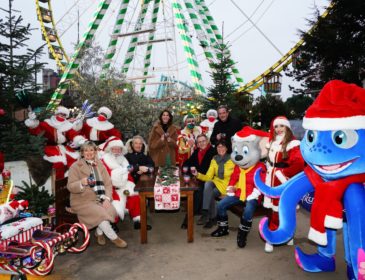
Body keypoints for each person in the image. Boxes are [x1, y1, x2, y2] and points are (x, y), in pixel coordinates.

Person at [210, 126, 269, 249]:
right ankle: (223, 228)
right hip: (239, 193)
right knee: (221, 205)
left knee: (248, 209)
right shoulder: (238, 167)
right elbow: (233, 178)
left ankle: (242, 234)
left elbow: (261, 184)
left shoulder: (260, 167)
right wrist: (231, 187)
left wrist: (255, 193)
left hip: (253, 195)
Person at [67, 141, 127, 248]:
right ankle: (114, 238)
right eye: (86, 150)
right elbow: (70, 186)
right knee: (101, 214)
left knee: (111, 210)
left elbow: (108, 183)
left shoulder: (99, 164)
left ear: (95, 152)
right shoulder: (75, 166)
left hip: (99, 198)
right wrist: (81, 182)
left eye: (91, 150)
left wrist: (107, 198)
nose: (89, 153)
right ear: (82, 153)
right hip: (82, 201)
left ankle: (99, 233)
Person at [263, 116, 305, 253]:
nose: (279, 129)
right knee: (273, 210)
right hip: (271, 179)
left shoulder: (293, 144)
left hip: (283, 181)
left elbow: (298, 164)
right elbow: (269, 161)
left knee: (281, 210)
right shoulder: (272, 142)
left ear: (287, 127)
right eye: (276, 126)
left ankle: (275, 237)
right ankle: (283, 235)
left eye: (282, 126)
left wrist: (282, 174)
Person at [100, 137, 151, 231]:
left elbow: (129, 175)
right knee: (116, 203)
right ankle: (112, 223)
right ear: (110, 149)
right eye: (114, 148)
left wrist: (131, 185)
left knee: (135, 197)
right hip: (111, 188)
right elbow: (106, 177)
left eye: (119, 148)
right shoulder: (105, 160)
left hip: (124, 185)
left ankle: (138, 221)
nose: (116, 150)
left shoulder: (123, 159)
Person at [24, 106, 86, 179]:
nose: (61, 116)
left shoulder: (68, 126)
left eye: (64, 115)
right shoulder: (48, 123)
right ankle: (58, 181)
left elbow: (73, 134)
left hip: (64, 148)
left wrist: (78, 140)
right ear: (56, 114)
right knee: (58, 163)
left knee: (74, 160)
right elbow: (36, 130)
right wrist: (33, 122)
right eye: (60, 114)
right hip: (50, 148)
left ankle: (71, 179)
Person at [191, 140, 235, 228]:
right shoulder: (214, 159)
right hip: (216, 183)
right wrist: (197, 174)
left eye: (223, 146)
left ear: (227, 148)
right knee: (208, 184)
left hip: (228, 186)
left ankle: (210, 216)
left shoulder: (232, 160)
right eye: (218, 147)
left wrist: (235, 187)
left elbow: (237, 176)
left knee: (209, 192)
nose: (220, 148)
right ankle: (207, 212)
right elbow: (208, 176)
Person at [180, 134, 216, 228]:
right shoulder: (197, 151)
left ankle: (189, 217)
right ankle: (201, 213)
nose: (201, 143)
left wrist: (194, 174)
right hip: (199, 177)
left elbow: (207, 170)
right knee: (190, 186)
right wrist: (185, 169)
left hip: (210, 179)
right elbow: (188, 162)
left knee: (197, 191)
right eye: (199, 142)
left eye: (203, 141)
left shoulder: (213, 152)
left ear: (207, 141)